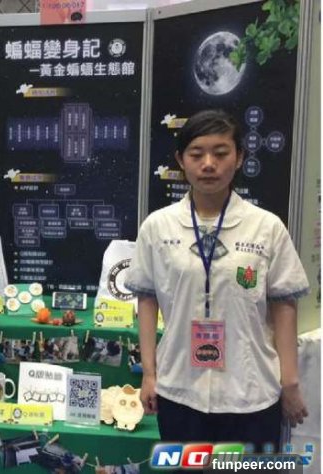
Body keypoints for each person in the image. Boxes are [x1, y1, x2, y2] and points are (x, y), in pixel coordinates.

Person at [125, 109, 309, 453]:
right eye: (196, 154)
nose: (208, 164)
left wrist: (290, 382)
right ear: (181, 160)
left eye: (221, 153)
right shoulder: (158, 227)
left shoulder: (266, 227)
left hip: (251, 392)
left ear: (238, 158)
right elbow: (147, 300)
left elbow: (284, 305)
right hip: (180, 390)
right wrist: (149, 373)